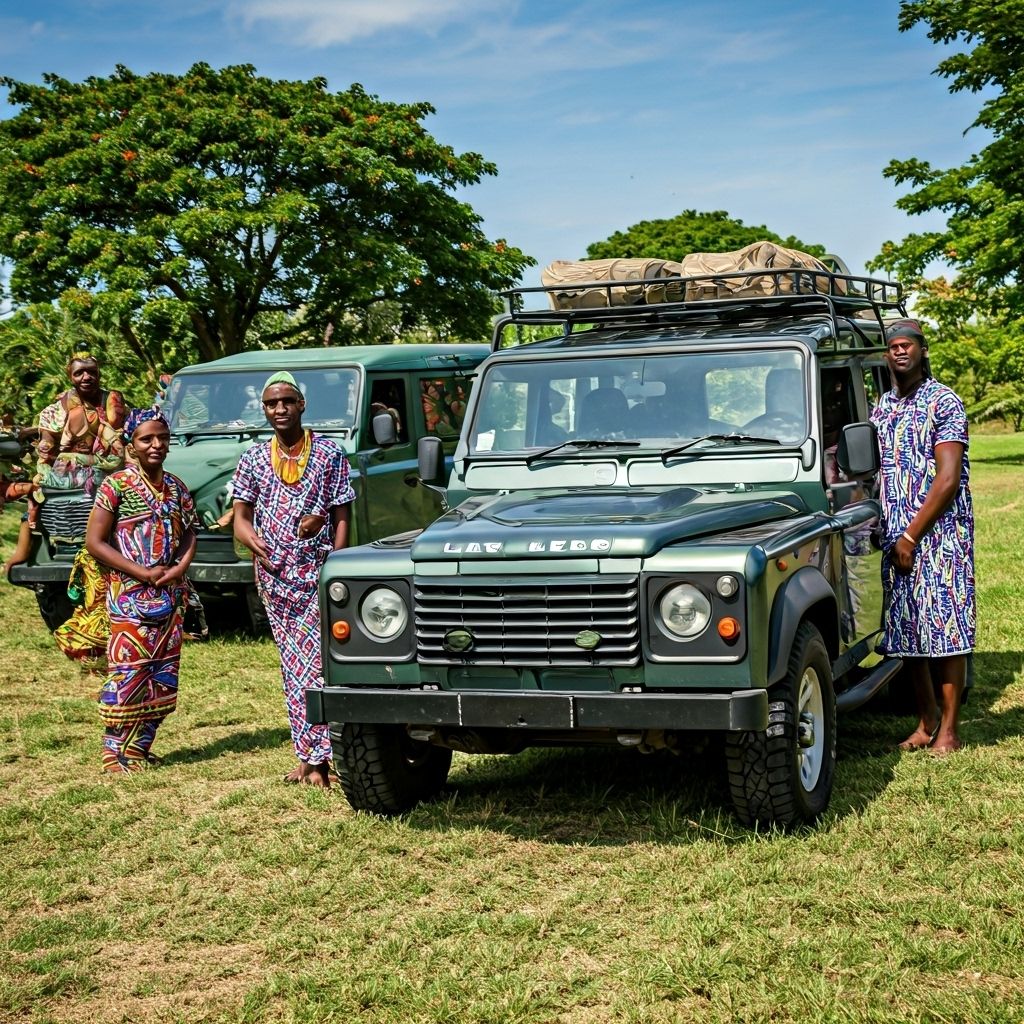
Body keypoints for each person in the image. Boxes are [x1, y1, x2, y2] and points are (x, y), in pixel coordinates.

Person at [231, 371, 356, 787]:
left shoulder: (329, 453)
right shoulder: (253, 458)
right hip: (275, 579)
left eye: (287, 401)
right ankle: (306, 755)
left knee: (318, 664)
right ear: (264, 410)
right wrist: (253, 541)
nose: (280, 409)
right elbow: (241, 518)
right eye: (271, 403)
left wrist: (335, 564)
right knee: (292, 665)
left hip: (316, 574)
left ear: (302, 405)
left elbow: (342, 514)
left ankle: (323, 757)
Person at [871, 319, 975, 755]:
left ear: (922, 351)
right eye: (893, 346)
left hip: (939, 534)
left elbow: (947, 479)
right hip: (895, 534)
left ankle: (949, 729)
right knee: (909, 628)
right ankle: (926, 719)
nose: (900, 351)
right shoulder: (882, 407)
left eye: (907, 345)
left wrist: (912, 535)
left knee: (946, 628)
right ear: (886, 355)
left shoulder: (943, 401)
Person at [85, 409, 198, 773]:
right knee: (129, 671)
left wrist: (178, 568)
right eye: (146, 438)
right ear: (131, 445)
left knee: (163, 673)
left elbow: (190, 533)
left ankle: (138, 748)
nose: (156, 445)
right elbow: (95, 542)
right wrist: (143, 573)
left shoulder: (177, 488)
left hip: (170, 597)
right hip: (129, 597)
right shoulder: (115, 486)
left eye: (162, 438)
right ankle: (114, 752)